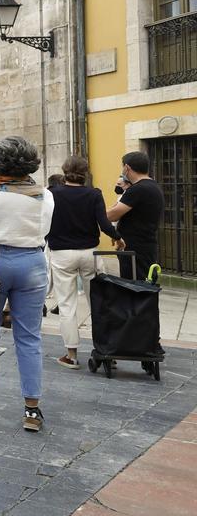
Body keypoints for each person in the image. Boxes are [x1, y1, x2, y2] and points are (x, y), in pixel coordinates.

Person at [0, 136, 54, 432]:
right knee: (29, 337)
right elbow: (45, 230)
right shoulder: (45, 195)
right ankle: (32, 410)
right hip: (31, 261)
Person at [48, 156, 120, 368]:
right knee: (97, 302)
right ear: (85, 172)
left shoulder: (52, 193)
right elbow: (104, 223)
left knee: (67, 304)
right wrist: (117, 237)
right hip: (89, 252)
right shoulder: (94, 193)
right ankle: (105, 350)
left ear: (64, 170)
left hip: (61, 253)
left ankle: (71, 355)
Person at [107, 151, 164, 280]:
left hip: (135, 250)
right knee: (143, 288)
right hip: (145, 247)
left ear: (127, 168)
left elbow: (112, 215)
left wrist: (93, 211)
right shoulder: (153, 186)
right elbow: (118, 207)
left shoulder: (137, 189)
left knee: (133, 289)